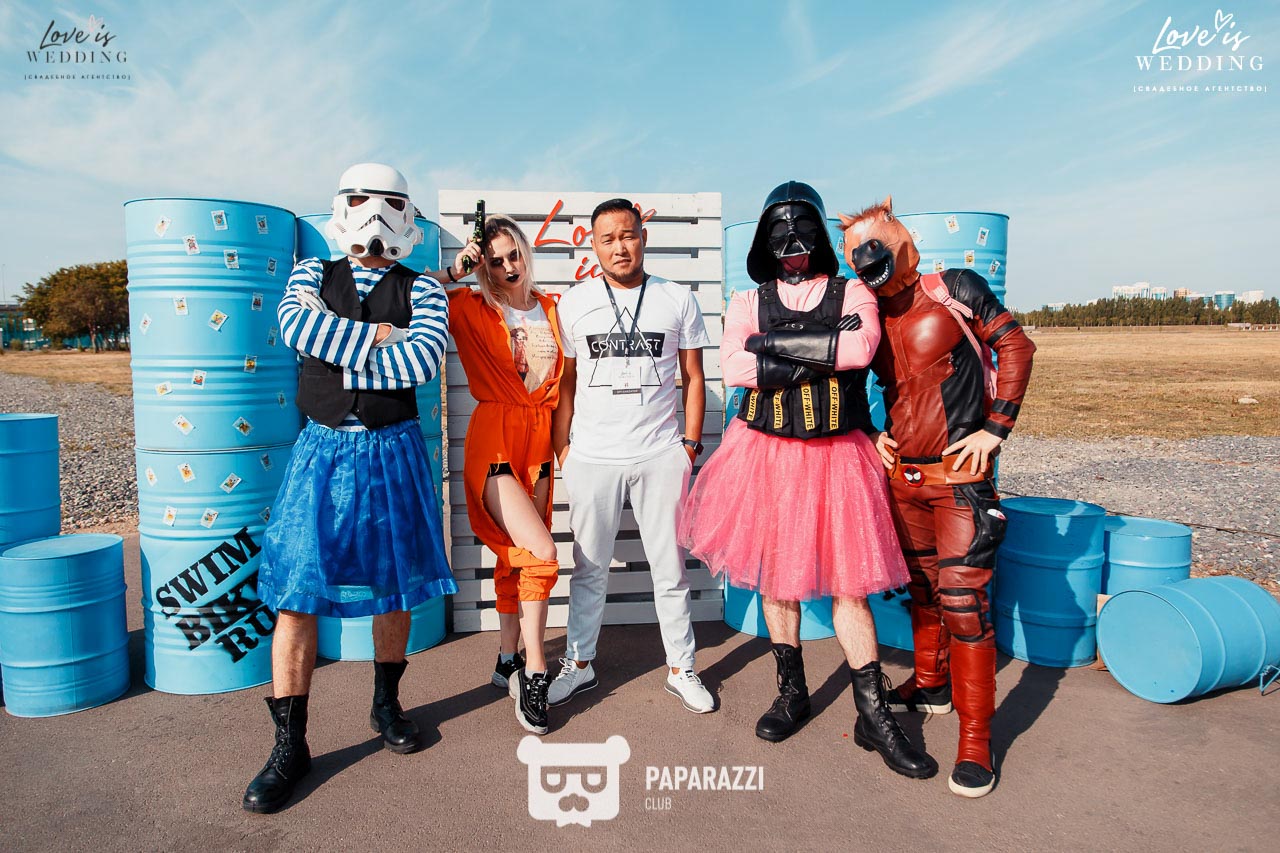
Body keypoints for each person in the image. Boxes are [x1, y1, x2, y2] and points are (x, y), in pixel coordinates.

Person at [678, 181, 935, 780]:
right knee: (777, 579)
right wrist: (817, 351)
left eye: (802, 229)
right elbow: (735, 366)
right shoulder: (749, 299)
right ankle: (791, 692)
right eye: (779, 230)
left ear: (819, 233)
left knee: (850, 587)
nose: (792, 241)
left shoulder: (854, 291)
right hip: (765, 454)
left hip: (837, 454)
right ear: (764, 241)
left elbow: (859, 350)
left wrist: (771, 348)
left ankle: (873, 715)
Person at [243, 163, 455, 814]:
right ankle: (290, 743)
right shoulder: (310, 274)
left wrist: (342, 347)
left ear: (407, 214)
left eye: (388, 201)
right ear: (341, 207)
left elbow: (422, 360)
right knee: (297, 591)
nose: (374, 213)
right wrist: (380, 337)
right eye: (361, 199)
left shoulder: (425, 288)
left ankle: (386, 703)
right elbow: (296, 329)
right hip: (322, 450)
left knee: (395, 583)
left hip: (394, 449)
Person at [840, 196, 1036, 798]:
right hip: (906, 480)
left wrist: (996, 428)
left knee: (964, 604)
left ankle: (976, 739)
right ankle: (931, 684)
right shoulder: (868, 315)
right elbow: (850, 380)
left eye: (877, 243)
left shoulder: (954, 288)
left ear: (903, 238)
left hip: (960, 481)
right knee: (923, 590)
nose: (869, 257)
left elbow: (1017, 346)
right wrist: (872, 434)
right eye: (856, 251)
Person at [548, 198, 715, 715]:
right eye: (608, 239)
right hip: (592, 456)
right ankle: (580, 662)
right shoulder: (573, 303)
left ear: (643, 237)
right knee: (589, 567)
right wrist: (564, 450)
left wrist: (689, 447)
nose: (620, 247)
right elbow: (566, 383)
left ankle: (682, 669)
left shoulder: (676, 298)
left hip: (660, 453)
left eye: (628, 235)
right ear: (593, 245)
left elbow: (693, 377)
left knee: (670, 569)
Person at [441, 214, 564, 735]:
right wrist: (457, 270)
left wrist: (563, 448)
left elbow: (565, 385)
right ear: (483, 267)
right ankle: (534, 671)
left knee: (517, 555)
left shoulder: (553, 307)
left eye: (514, 255)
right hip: (493, 437)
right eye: (495, 261)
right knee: (542, 552)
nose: (509, 267)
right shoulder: (469, 306)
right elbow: (407, 293)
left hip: (538, 440)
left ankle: (505, 657)